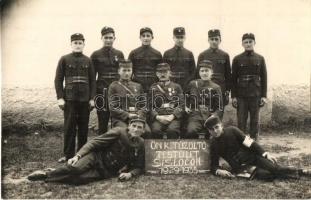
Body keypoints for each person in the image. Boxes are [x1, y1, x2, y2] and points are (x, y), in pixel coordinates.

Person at [27, 117, 146, 185]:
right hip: (95, 157)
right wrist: (77, 156)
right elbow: (94, 142)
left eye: (139, 127)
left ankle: (57, 172)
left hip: (107, 170)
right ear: (129, 126)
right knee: (76, 168)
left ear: (143, 131)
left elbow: (139, 166)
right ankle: (45, 175)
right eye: (134, 126)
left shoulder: (140, 144)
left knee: (78, 180)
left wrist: (130, 174)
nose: (136, 129)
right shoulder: (119, 131)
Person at [205, 115, 311, 180]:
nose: (215, 131)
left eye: (216, 127)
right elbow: (213, 165)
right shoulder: (214, 144)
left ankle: (302, 172)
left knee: (274, 168)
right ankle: (292, 175)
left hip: (253, 157)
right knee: (268, 175)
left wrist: (265, 154)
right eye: (211, 129)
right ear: (209, 131)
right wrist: (219, 171)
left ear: (221, 125)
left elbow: (251, 143)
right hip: (241, 168)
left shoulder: (232, 130)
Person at [54, 33, 96, 163]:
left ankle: (81, 154)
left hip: (84, 100)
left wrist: (92, 99)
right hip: (70, 99)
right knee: (69, 127)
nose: (77, 45)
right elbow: (58, 80)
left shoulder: (88, 60)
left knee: (83, 128)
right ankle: (68, 155)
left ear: (84, 44)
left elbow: (92, 81)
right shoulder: (64, 59)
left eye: (80, 43)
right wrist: (60, 98)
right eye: (75, 43)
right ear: (71, 44)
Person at [231, 33, 267, 140]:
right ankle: (241, 143)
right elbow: (233, 79)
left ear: (254, 43)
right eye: (245, 42)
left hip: (255, 94)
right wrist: (233, 96)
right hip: (241, 95)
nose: (248, 44)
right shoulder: (237, 59)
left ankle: (254, 142)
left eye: (250, 42)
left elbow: (264, 78)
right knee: (241, 121)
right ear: (242, 44)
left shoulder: (260, 58)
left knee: (255, 121)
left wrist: (264, 96)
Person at [91, 26, 125, 134]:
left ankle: (117, 146)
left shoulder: (119, 54)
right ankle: (103, 148)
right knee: (103, 120)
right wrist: (93, 95)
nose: (108, 40)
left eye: (111, 38)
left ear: (114, 38)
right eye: (106, 38)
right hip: (102, 90)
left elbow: (124, 73)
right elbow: (92, 76)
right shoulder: (95, 55)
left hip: (117, 90)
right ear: (101, 38)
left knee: (118, 118)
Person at [108, 60, 151, 138]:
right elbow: (113, 108)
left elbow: (144, 105)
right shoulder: (114, 86)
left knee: (147, 132)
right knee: (126, 132)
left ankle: (142, 150)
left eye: (129, 70)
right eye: (124, 70)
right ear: (119, 71)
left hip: (137, 118)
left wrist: (139, 115)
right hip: (121, 119)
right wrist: (128, 115)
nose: (127, 73)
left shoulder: (138, 86)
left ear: (132, 71)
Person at [197, 29, 231, 119]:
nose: (214, 41)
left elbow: (228, 74)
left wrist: (227, 91)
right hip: (206, 88)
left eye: (216, 39)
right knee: (205, 112)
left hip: (221, 88)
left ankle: (217, 132)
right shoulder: (203, 55)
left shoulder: (225, 55)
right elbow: (198, 74)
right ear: (208, 40)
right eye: (212, 39)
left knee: (218, 113)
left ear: (220, 40)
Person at [185, 60, 223, 139]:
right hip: (195, 116)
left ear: (211, 72)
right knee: (191, 131)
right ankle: (194, 150)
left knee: (213, 134)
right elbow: (185, 97)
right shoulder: (192, 84)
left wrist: (214, 116)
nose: (204, 73)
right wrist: (186, 106)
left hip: (209, 116)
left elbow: (220, 108)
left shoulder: (216, 87)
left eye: (207, 71)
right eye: (202, 71)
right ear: (199, 73)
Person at [149, 63, 184, 139]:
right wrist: (157, 117)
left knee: (172, 130)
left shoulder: (177, 87)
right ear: (157, 74)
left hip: (173, 117)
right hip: (159, 117)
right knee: (155, 130)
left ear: (170, 73)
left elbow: (181, 105)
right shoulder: (153, 88)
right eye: (160, 72)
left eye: (165, 72)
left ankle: (172, 151)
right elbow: (150, 106)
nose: (162, 74)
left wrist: (173, 116)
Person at [128, 27, 162, 93]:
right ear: (140, 37)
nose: (145, 38)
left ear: (152, 37)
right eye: (143, 36)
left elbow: (160, 72)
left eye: (148, 36)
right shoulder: (134, 53)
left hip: (153, 83)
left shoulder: (157, 54)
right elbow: (129, 70)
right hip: (137, 83)